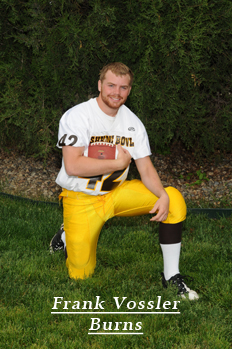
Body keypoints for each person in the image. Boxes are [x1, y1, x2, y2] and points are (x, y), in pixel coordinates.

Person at [51, 62, 199, 300]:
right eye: (111, 85)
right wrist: (117, 164)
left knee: (173, 199)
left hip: (116, 194)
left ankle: (171, 276)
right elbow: (73, 165)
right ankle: (67, 233)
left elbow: (146, 167)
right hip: (81, 198)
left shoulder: (133, 123)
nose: (116, 92)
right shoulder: (77, 115)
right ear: (99, 85)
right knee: (81, 275)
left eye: (123, 87)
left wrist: (162, 195)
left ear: (129, 91)